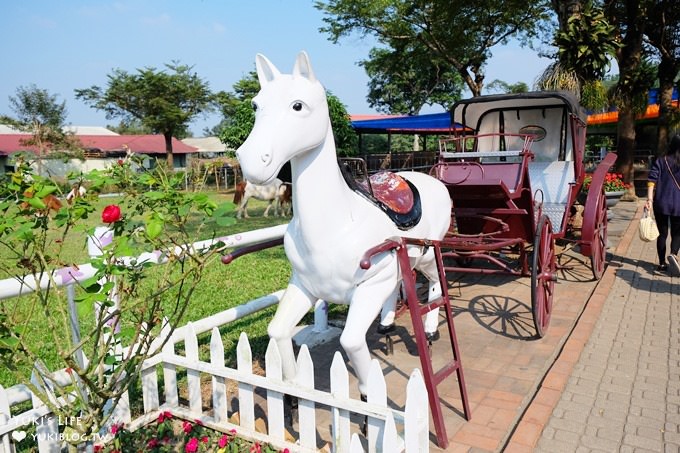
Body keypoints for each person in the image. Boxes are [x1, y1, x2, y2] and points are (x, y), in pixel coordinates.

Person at [646, 134, 680, 275]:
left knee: (662, 234)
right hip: (679, 204)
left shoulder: (661, 161)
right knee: (677, 233)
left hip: (661, 203)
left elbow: (651, 180)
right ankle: (673, 254)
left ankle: (661, 263)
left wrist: (649, 200)